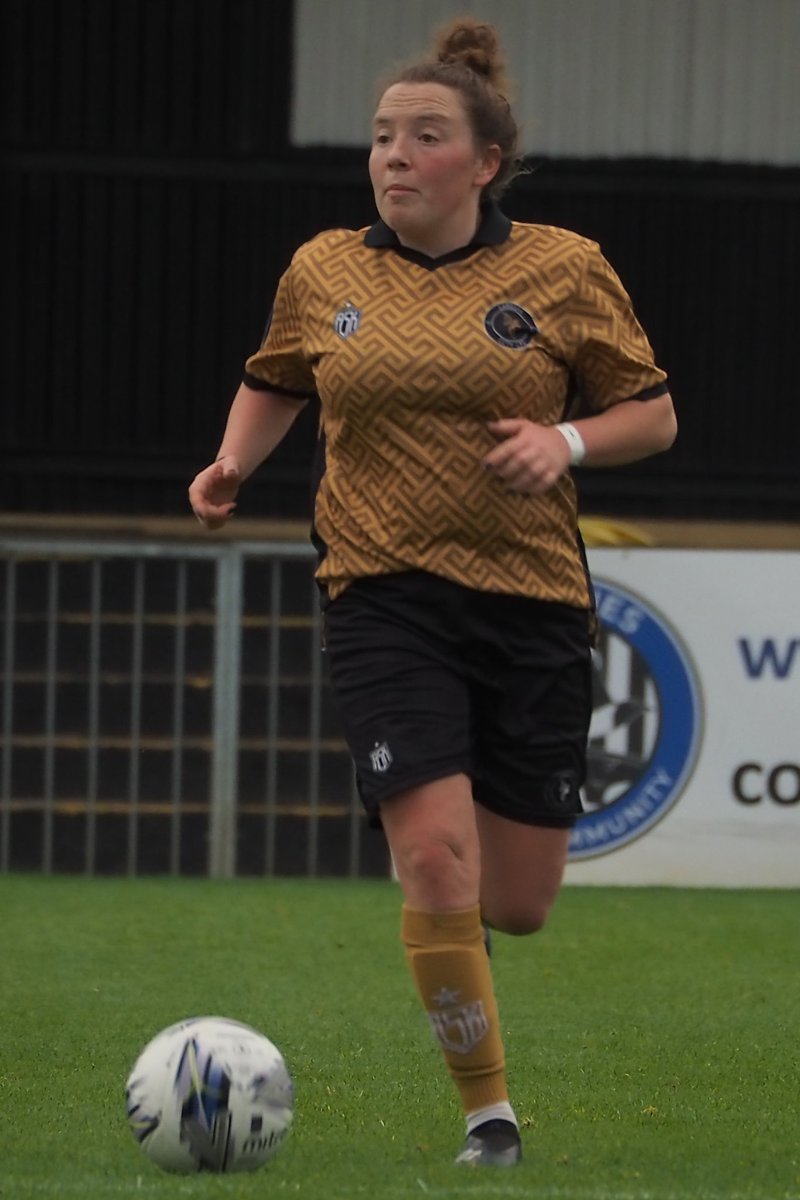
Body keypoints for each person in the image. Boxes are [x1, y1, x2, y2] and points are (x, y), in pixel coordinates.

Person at [189, 17, 677, 1168]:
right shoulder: (325, 269)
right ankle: (488, 1121)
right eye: (379, 138)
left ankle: (460, 953)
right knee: (435, 860)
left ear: (483, 163)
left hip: (532, 605)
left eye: (422, 136)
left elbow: (650, 415)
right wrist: (230, 463)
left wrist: (562, 442)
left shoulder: (561, 266)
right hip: (382, 595)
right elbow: (277, 379)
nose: (393, 156)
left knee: (514, 903)